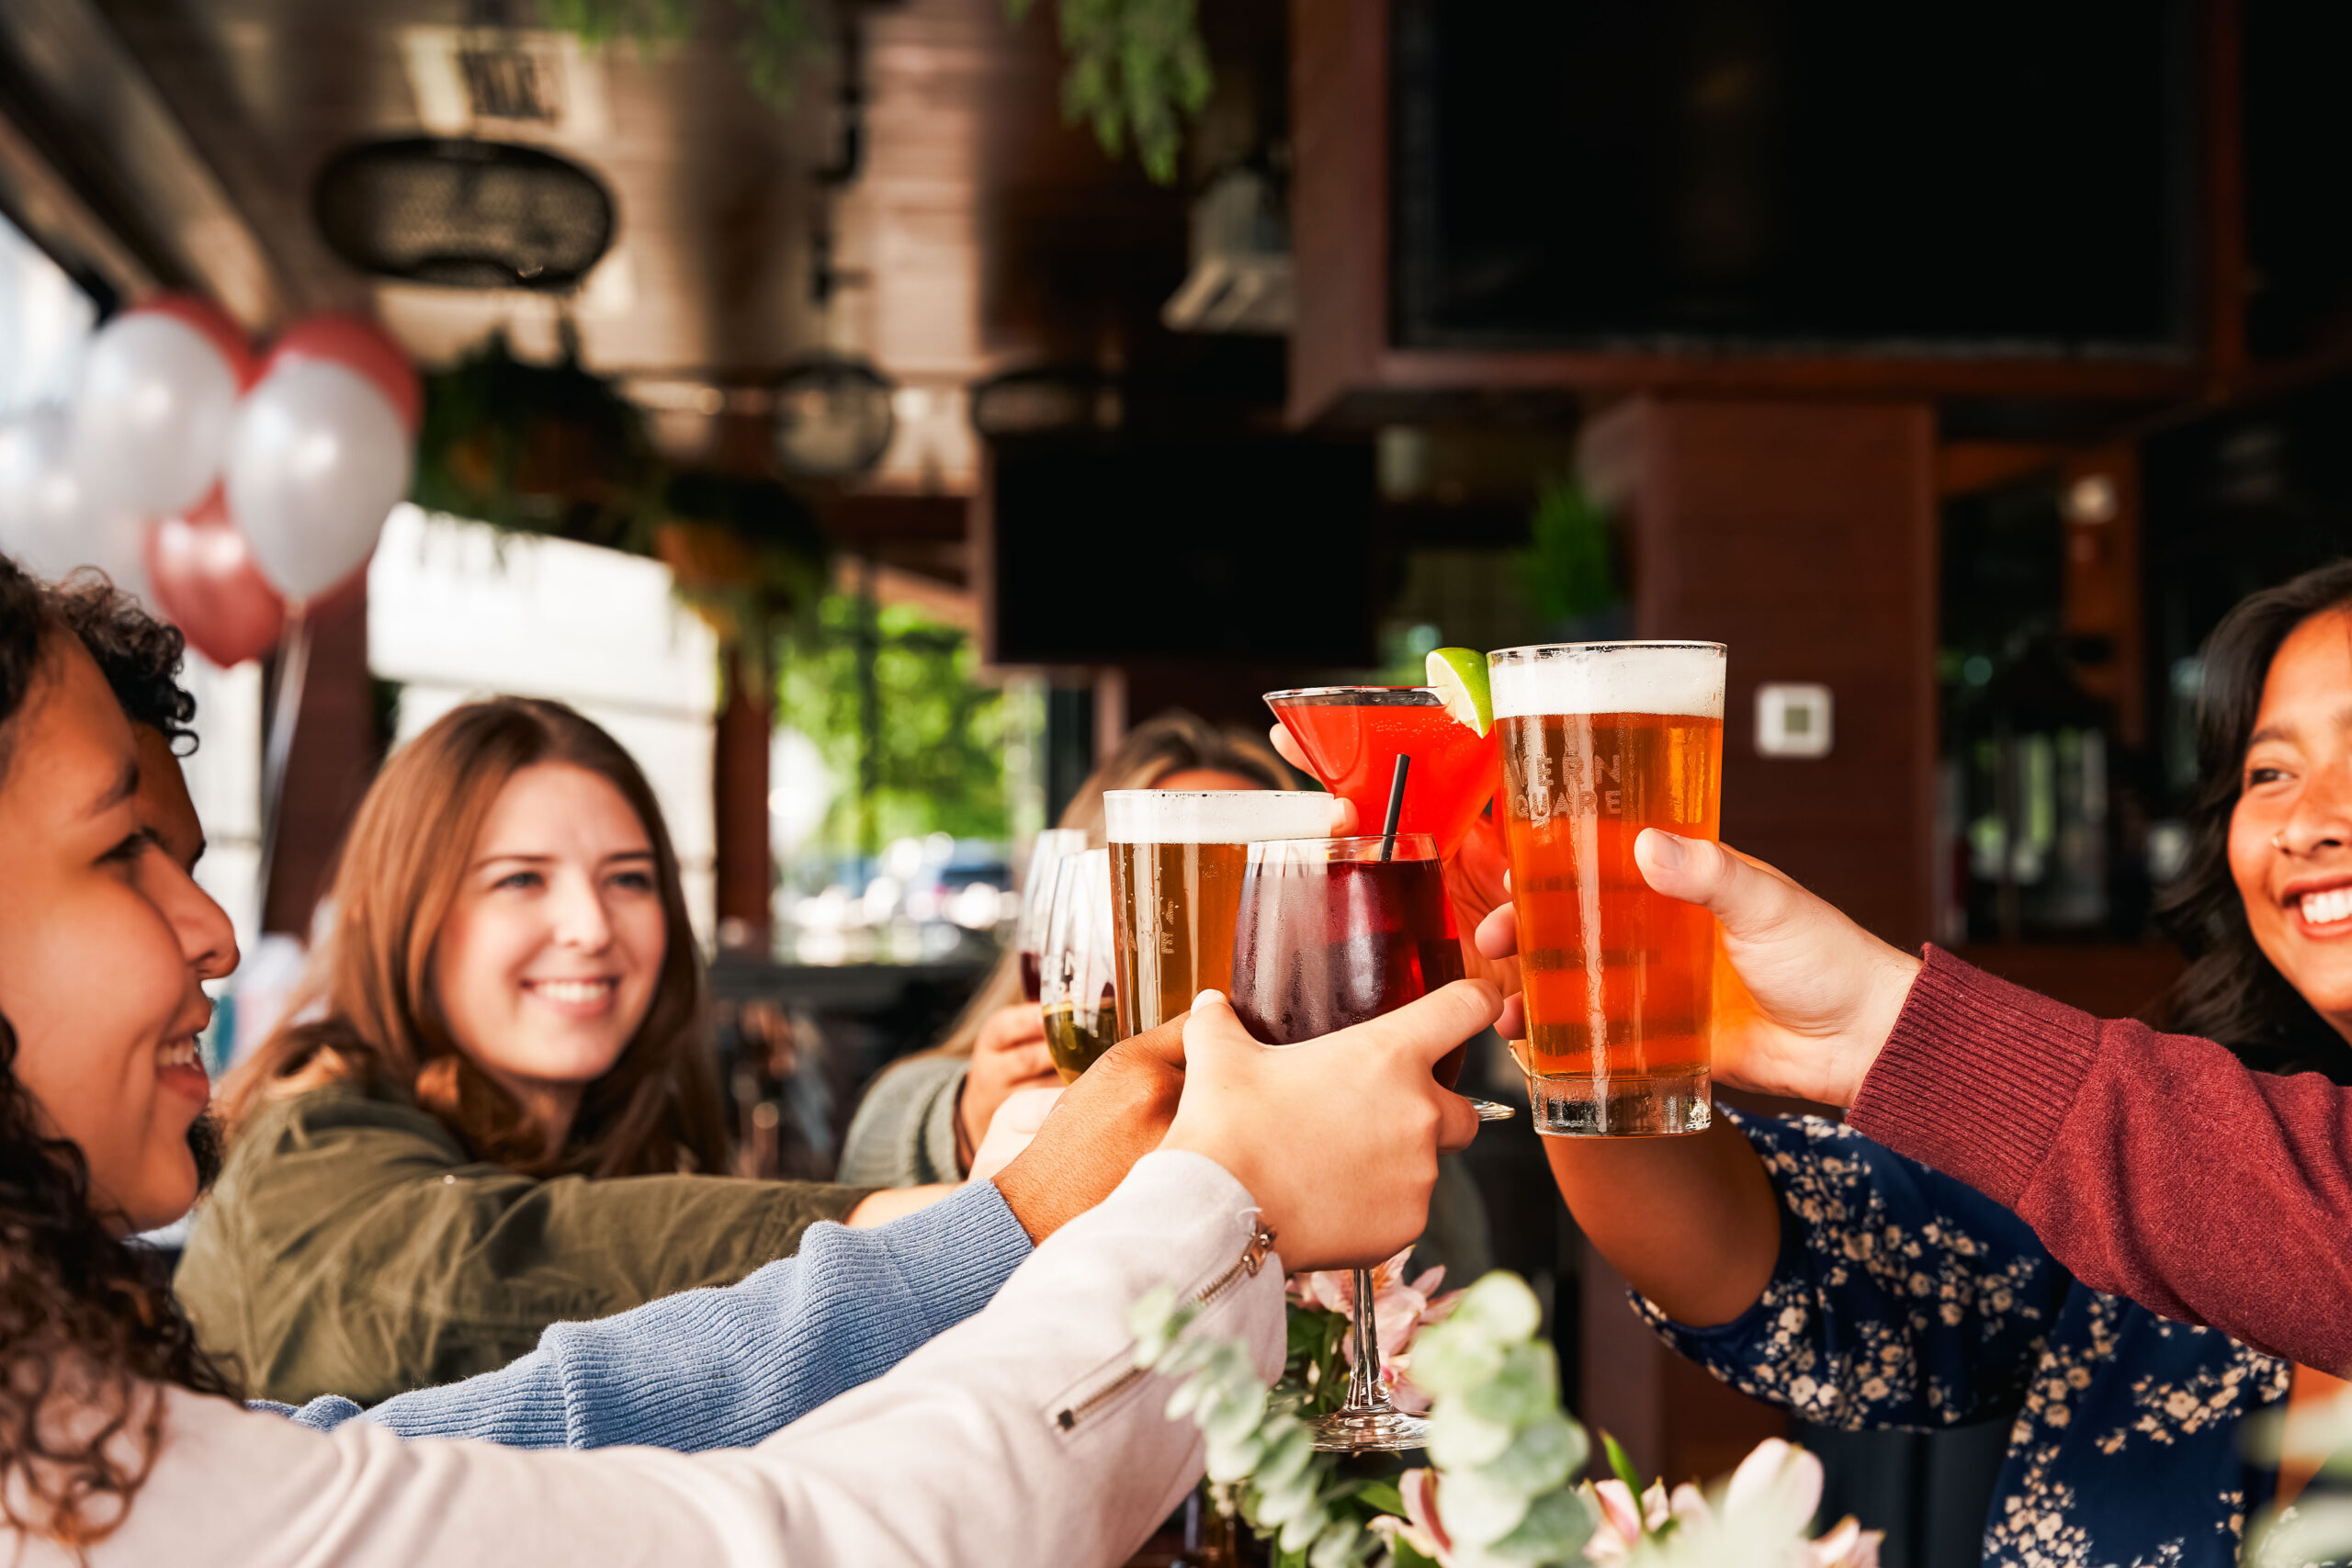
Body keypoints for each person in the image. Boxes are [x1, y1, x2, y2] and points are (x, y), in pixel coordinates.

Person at [0, 551, 1494, 1563]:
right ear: (408, 909)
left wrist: (1021, 1216)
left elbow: (543, 1422)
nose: (209, 931)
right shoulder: (303, 1168)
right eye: (124, 848)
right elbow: (793, 1525)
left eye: (632, 874)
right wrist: (1133, 1200)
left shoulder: (94, 1432)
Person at [1467, 566, 2352, 1567]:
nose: (2303, 821)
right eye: (2266, 772)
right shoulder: (2164, 1152)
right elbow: (1786, 1267)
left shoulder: (2155, 1153)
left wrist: (1885, 1025)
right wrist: (1589, 1034)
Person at [175, 696, 955, 1406]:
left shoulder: (603, 1136)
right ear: (406, 913)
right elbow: (507, 1265)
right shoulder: (304, 1142)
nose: (590, 925)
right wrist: (954, 1225)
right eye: (520, 880)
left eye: (629, 878)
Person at [840, 709, 1301, 1188]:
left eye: (1248, 875)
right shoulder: (1060, 1040)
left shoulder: (1320, 1059)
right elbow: (865, 1154)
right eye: (1167, 887)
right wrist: (966, 1121)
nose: (1213, 914)